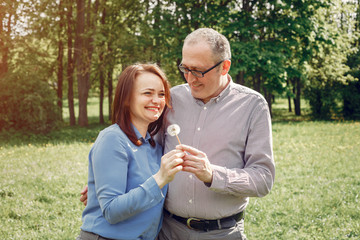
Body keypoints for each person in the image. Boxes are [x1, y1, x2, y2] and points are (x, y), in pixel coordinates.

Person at [81, 28, 275, 240]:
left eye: (199, 71)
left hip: (221, 232)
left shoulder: (253, 106)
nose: (190, 79)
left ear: (224, 67)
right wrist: (109, 184)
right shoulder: (171, 99)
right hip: (167, 231)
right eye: (185, 68)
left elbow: (263, 179)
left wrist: (212, 174)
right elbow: (143, 148)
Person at [76, 63, 184, 240]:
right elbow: (111, 210)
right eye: (147, 93)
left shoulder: (154, 145)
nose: (156, 100)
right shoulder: (112, 139)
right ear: (126, 98)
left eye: (161, 94)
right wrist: (159, 179)